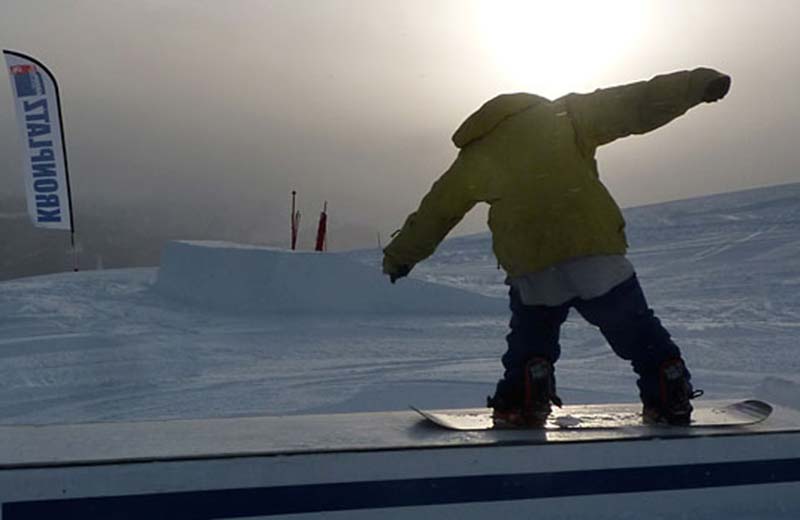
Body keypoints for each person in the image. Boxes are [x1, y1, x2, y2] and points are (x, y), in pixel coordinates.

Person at [382, 68, 731, 426]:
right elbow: (634, 103)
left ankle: (526, 393)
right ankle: (667, 383)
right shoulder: (565, 116)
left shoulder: (474, 158)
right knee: (635, 329)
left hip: (533, 262)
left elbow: (436, 213)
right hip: (593, 250)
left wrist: (399, 258)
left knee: (532, 336)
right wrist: (697, 85)